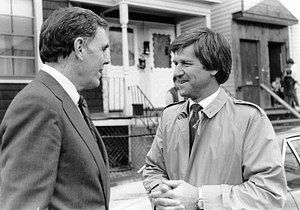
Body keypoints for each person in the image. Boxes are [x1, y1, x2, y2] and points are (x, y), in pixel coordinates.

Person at [142, 27, 287, 210]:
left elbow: (268, 193)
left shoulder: (250, 119)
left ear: (213, 67)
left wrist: (200, 198)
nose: (176, 72)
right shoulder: (169, 116)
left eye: (185, 64)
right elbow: (153, 169)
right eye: (175, 63)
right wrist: (163, 198)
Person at [0, 7, 111, 210]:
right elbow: (22, 204)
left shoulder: (67, 100)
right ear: (79, 48)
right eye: (103, 48)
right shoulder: (38, 104)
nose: (108, 58)